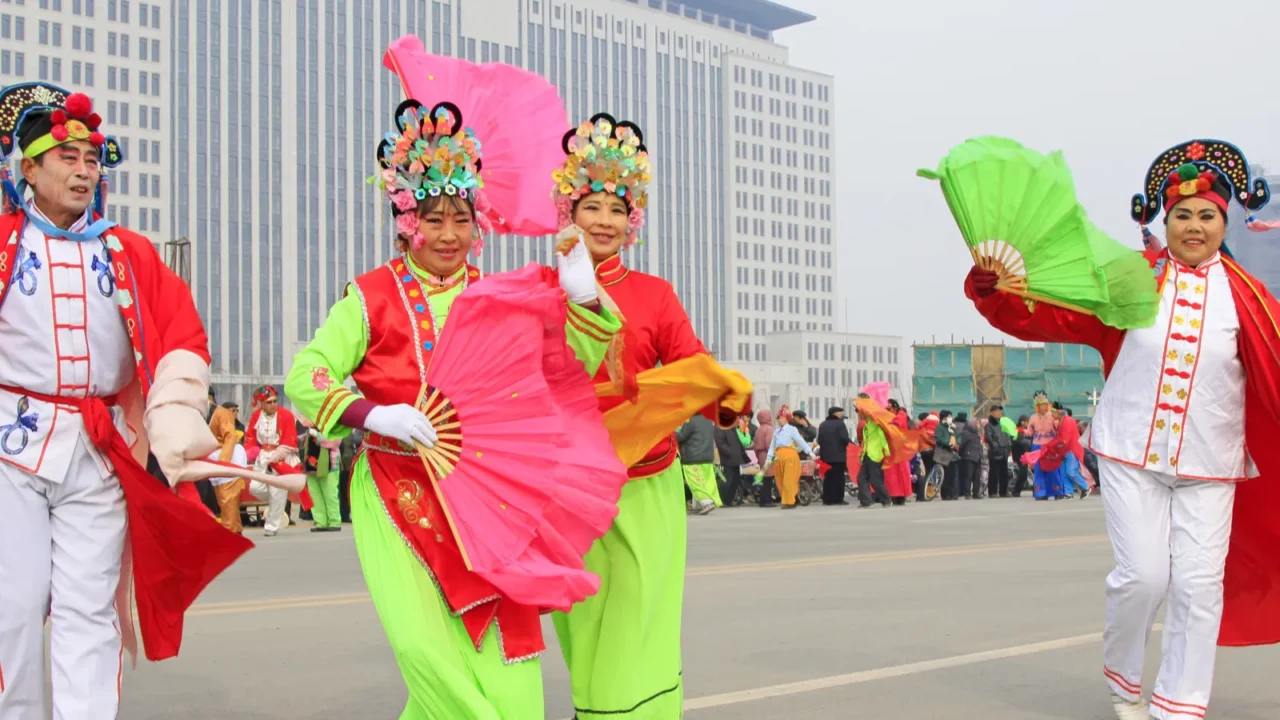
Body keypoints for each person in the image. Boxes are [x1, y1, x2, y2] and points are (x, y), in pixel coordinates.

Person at [284, 93, 623, 719]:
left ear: (478, 224)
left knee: (505, 661)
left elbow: (562, 367)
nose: (448, 235)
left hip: (487, 490)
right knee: (428, 654)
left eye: (461, 219)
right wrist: (371, 414)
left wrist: (582, 297)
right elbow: (307, 374)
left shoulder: (496, 296)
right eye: (433, 218)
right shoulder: (371, 297)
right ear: (406, 219)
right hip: (395, 485)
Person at [964, 138, 1280, 719]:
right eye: (1181, 215)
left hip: (1212, 460)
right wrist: (998, 291)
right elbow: (1058, 310)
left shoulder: (1251, 299)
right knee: (1144, 577)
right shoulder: (1132, 280)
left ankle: (1179, 705)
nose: (1194, 226)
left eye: (1206, 215)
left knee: (1199, 586)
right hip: (1130, 449)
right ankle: (1124, 677)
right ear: (1165, 221)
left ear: (1224, 222)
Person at [0, 83, 252, 717]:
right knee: (14, 605)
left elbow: (183, 335)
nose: (84, 171)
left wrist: (172, 413)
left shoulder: (127, 251)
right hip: (9, 449)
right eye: (67, 158)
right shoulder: (4, 242)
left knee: (89, 608)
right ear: (28, 169)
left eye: (92, 160)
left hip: (97, 450)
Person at [548, 112, 746, 720]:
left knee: (638, 615)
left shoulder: (655, 293)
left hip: (645, 481)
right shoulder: (538, 291)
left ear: (631, 220)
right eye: (591, 207)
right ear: (569, 213)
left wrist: (724, 393)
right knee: (583, 619)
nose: (604, 221)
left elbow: (690, 363)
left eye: (617, 208)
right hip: (567, 486)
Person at [243, 385, 303, 536]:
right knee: (255, 488)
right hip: (262, 456)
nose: (273, 404)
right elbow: (250, 437)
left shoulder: (286, 415)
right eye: (269, 402)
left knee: (277, 490)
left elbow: (289, 441)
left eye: (275, 401)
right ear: (262, 403)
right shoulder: (257, 415)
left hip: (280, 456)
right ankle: (277, 500)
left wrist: (275, 457)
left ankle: (271, 526)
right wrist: (251, 452)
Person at [207, 404, 248, 533]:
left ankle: (231, 533)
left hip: (228, 457)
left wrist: (223, 462)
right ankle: (236, 532)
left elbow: (230, 436)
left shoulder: (221, 413)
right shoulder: (202, 412)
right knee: (223, 501)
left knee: (228, 499)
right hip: (216, 458)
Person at [765, 406, 814, 509]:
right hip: (778, 456)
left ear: (787, 419)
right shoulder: (776, 431)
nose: (780, 420)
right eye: (779, 418)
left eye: (782, 418)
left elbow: (800, 441)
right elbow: (772, 445)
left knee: (789, 480)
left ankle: (790, 501)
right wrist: (769, 457)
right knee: (780, 480)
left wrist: (809, 452)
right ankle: (786, 500)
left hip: (790, 455)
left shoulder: (792, 429)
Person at [677, 413, 720, 514]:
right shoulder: (708, 420)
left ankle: (706, 503)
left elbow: (681, 436)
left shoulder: (690, 421)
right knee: (705, 481)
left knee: (695, 481)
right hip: (707, 456)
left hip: (693, 457)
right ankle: (699, 505)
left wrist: (670, 432)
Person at [817, 406, 853, 505]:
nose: (841, 414)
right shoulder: (840, 424)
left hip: (825, 456)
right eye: (840, 412)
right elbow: (844, 438)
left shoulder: (822, 424)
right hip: (839, 456)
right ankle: (838, 498)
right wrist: (853, 445)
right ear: (835, 413)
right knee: (839, 478)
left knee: (828, 477)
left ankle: (827, 499)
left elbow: (819, 440)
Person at [882, 400, 914, 505]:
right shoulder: (894, 416)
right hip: (892, 450)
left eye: (889, 408)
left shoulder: (901, 416)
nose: (887, 411)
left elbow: (895, 428)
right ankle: (895, 496)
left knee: (900, 474)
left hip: (899, 450)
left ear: (895, 408)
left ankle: (900, 496)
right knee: (892, 475)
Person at [715, 416, 751, 507]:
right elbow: (720, 442)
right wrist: (730, 452)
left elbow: (737, 441)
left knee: (735, 480)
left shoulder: (731, 427)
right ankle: (723, 500)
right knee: (727, 479)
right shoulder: (720, 426)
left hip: (736, 458)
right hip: (728, 458)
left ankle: (729, 500)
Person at [985, 404, 1014, 498]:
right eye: (997, 411)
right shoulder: (989, 425)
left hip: (1004, 450)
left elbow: (1008, 435)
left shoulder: (1004, 423)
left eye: (1000, 411)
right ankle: (992, 492)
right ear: (992, 413)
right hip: (995, 452)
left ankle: (1003, 491)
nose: (999, 413)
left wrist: (1009, 446)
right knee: (994, 472)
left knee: (1004, 472)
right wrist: (995, 446)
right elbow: (988, 437)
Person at [753, 409, 778, 507]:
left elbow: (755, 445)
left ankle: (763, 500)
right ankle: (766, 500)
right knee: (769, 479)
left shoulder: (758, 429)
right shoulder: (769, 429)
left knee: (765, 478)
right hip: (767, 455)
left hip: (761, 455)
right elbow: (769, 443)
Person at [933, 410, 960, 500]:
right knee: (946, 475)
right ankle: (946, 494)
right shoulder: (939, 427)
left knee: (953, 475)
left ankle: (953, 493)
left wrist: (957, 444)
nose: (950, 418)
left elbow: (957, 437)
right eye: (948, 416)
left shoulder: (952, 427)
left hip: (953, 454)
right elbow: (938, 439)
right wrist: (949, 444)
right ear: (943, 418)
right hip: (944, 453)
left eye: (950, 416)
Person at [956, 412, 982, 498]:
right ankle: (967, 493)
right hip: (968, 456)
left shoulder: (977, 433)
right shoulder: (966, 433)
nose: (978, 425)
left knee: (977, 476)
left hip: (977, 456)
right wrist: (961, 454)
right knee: (968, 476)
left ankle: (976, 493)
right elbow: (962, 445)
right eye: (977, 424)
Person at [1011, 415, 1034, 497]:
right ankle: (1016, 491)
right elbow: (1017, 441)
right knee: (1023, 473)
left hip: (1029, 454)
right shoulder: (1017, 430)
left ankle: (1036, 490)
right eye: (1026, 421)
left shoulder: (1030, 430)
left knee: (1035, 473)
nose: (1027, 423)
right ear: (1022, 422)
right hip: (1020, 454)